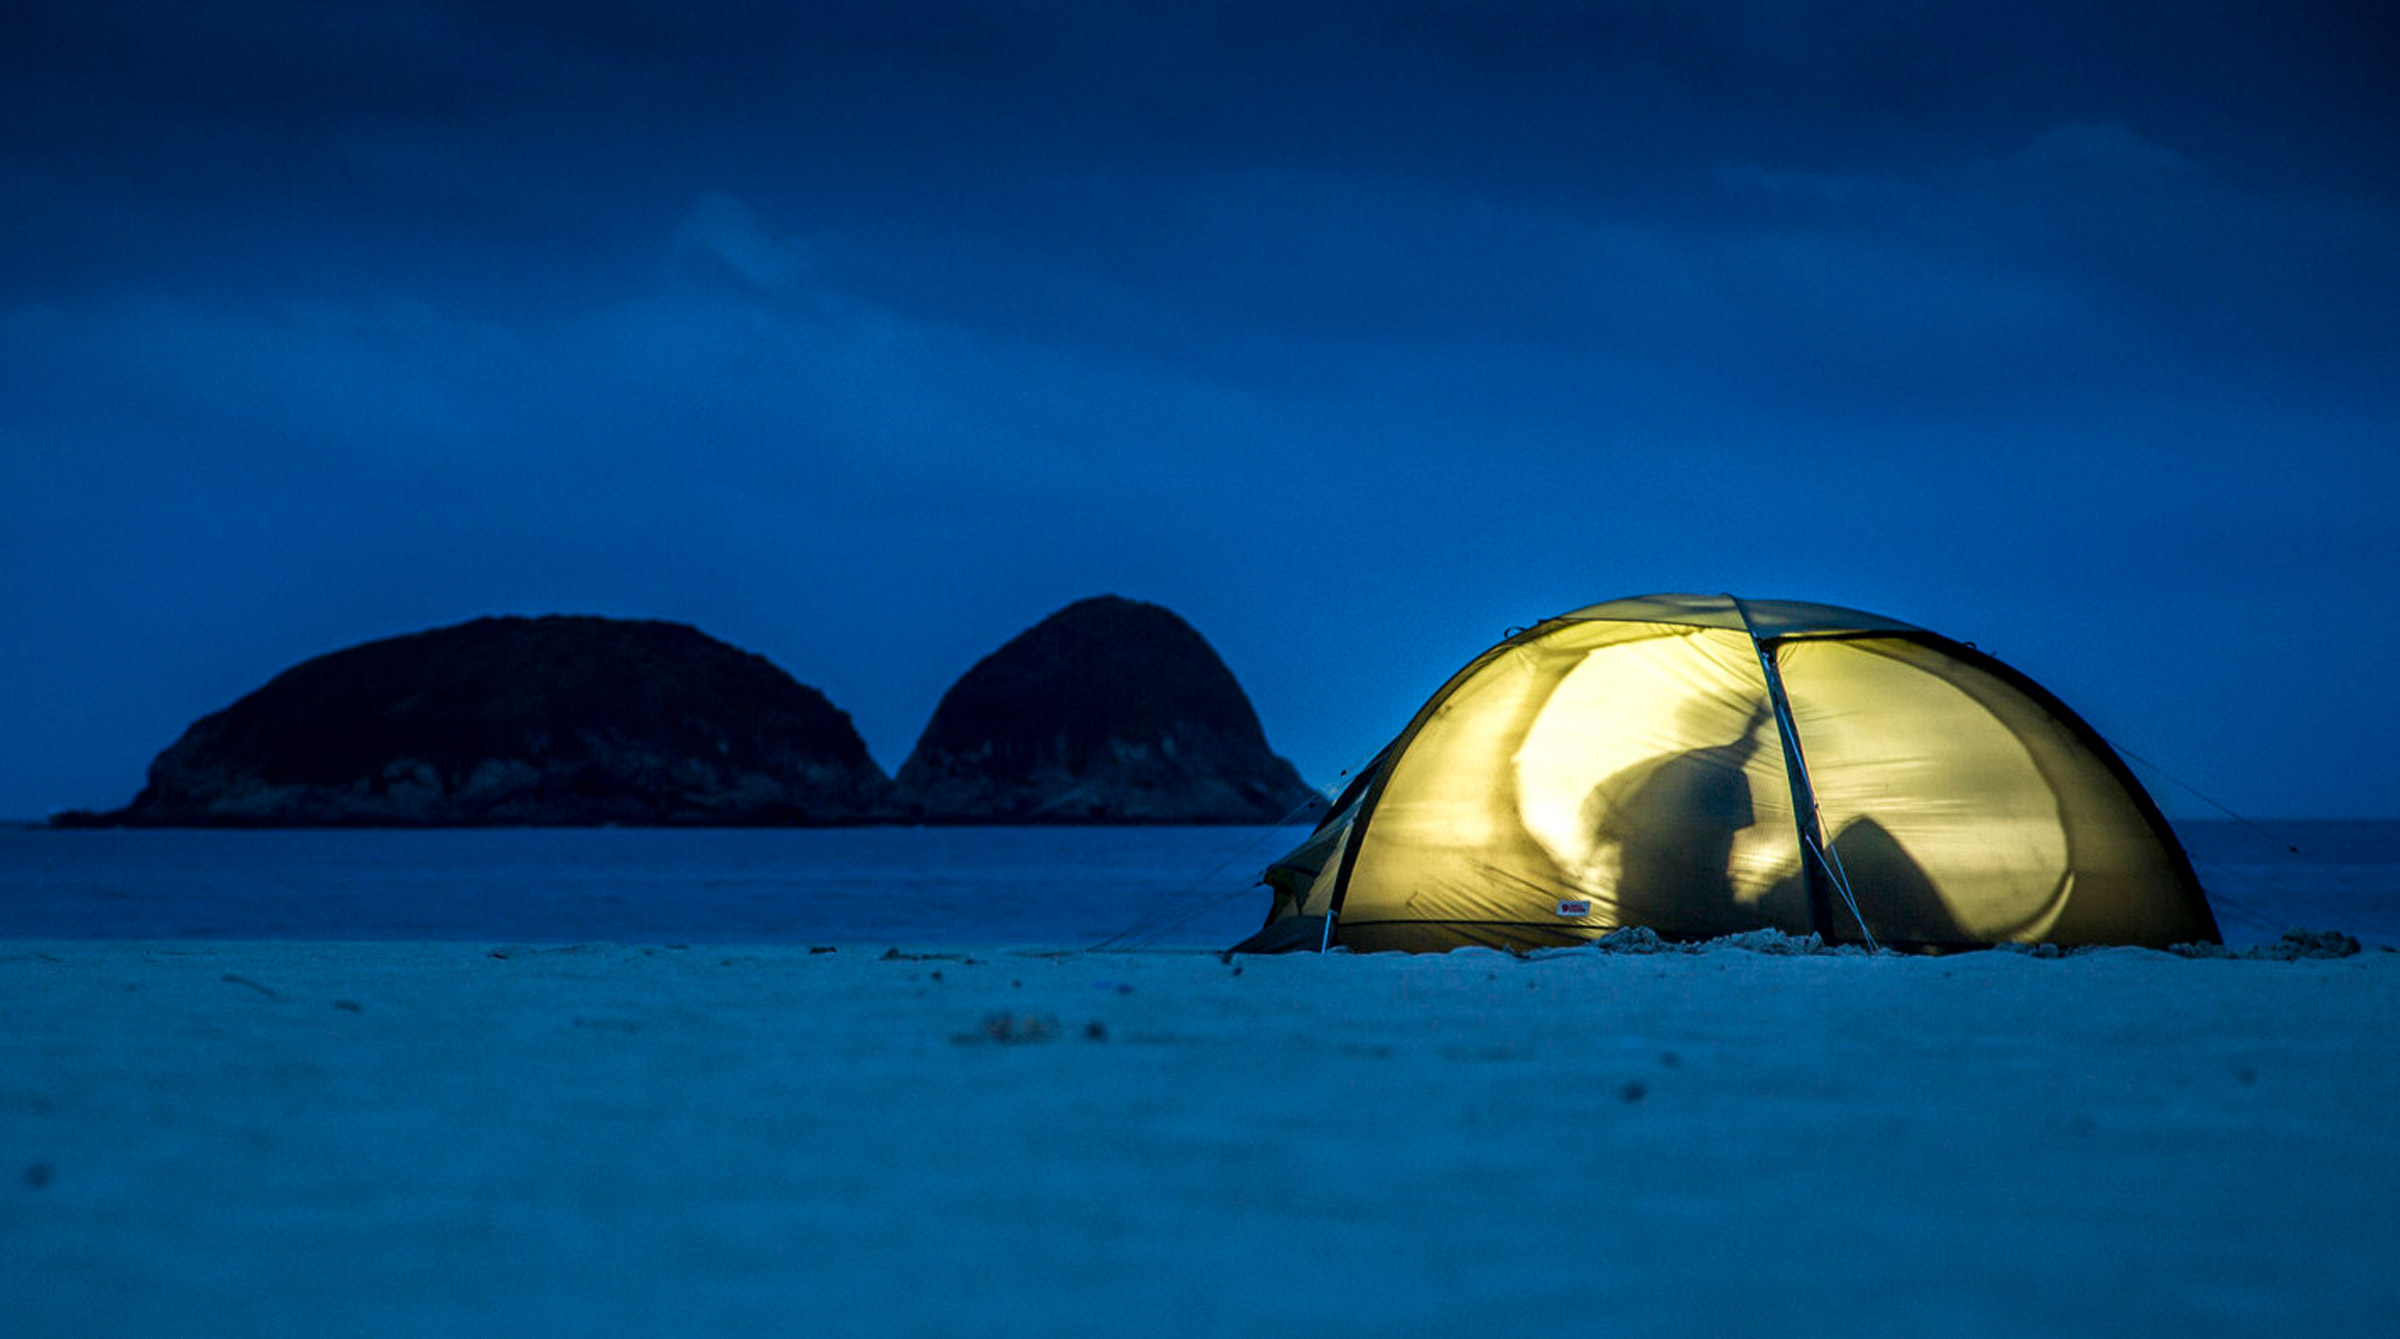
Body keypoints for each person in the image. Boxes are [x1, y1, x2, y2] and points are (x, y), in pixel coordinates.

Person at [1580, 698, 1774, 936]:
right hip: (1666, 886)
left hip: (1645, 885)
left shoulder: (1679, 769)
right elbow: (1722, 842)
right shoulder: (1726, 778)